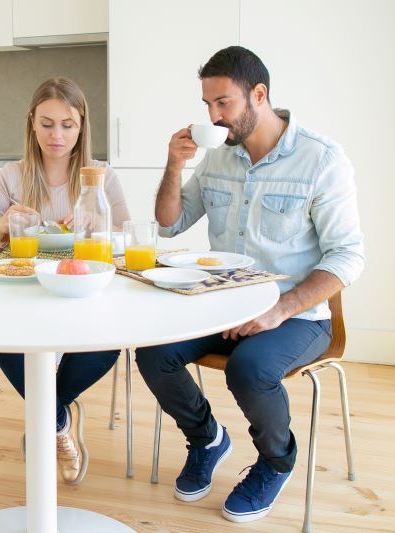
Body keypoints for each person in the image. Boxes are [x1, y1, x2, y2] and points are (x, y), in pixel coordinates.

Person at [135, 46, 364, 523]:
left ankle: (276, 461)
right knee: (153, 352)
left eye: (224, 104)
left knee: (249, 369)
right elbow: (169, 224)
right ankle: (207, 438)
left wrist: (279, 310)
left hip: (297, 315)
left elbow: (348, 256)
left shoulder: (321, 159)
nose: (214, 117)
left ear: (258, 95)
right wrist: (175, 164)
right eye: (208, 106)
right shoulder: (218, 158)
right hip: (222, 304)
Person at [0, 76, 130, 485]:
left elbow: (127, 240)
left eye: (67, 124)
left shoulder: (100, 177)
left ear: (82, 126)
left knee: (105, 346)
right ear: (31, 124)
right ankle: (58, 426)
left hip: (83, 295)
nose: (57, 135)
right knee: (4, 343)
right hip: (24, 294)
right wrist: (4, 222)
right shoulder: (11, 176)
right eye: (47, 124)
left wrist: (99, 224)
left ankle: (47, 418)